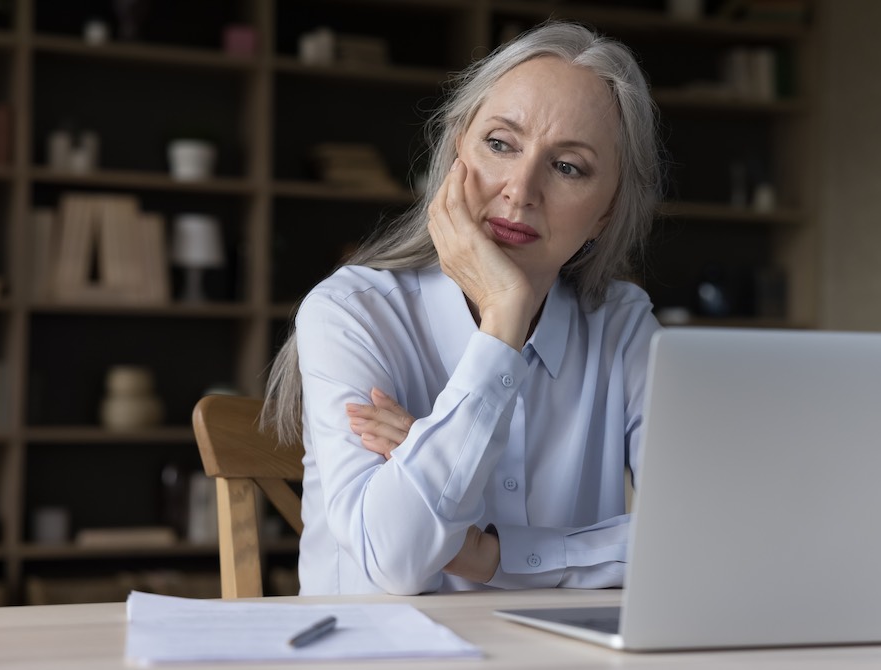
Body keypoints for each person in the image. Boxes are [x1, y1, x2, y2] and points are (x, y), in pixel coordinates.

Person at [262, 20, 665, 596]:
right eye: (500, 144)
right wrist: (503, 322)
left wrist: (491, 555)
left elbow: (696, 542)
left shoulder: (622, 327)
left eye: (568, 166)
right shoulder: (349, 312)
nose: (520, 189)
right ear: (456, 153)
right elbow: (394, 560)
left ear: (607, 212)